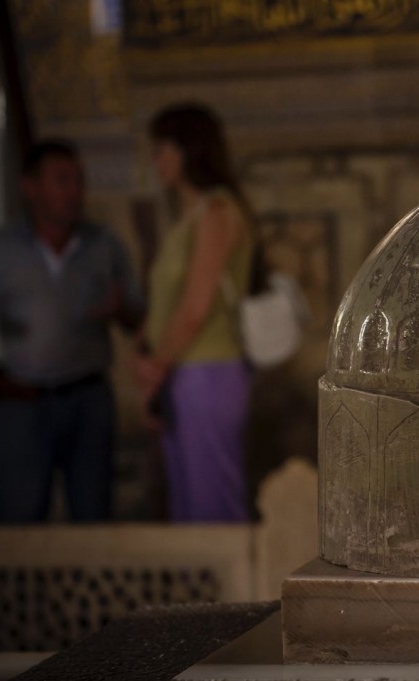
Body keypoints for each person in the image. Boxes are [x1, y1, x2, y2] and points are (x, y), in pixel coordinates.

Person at [0, 139, 145, 523]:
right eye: (62, 180)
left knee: (94, 516)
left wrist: (119, 307)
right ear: (31, 187)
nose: (74, 191)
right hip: (23, 404)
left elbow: (136, 318)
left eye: (78, 181)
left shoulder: (103, 244)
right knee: (19, 520)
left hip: (88, 401)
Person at [138, 103, 257, 522]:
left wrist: (154, 368)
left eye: (161, 150)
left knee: (212, 505)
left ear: (187, 151)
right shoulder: (188, 216)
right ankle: (199, 590)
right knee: (188, 506)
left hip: (208, 371)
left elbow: (195, 306)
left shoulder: (216, 211)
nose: (155, 162)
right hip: (183, 372)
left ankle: (230, 591)